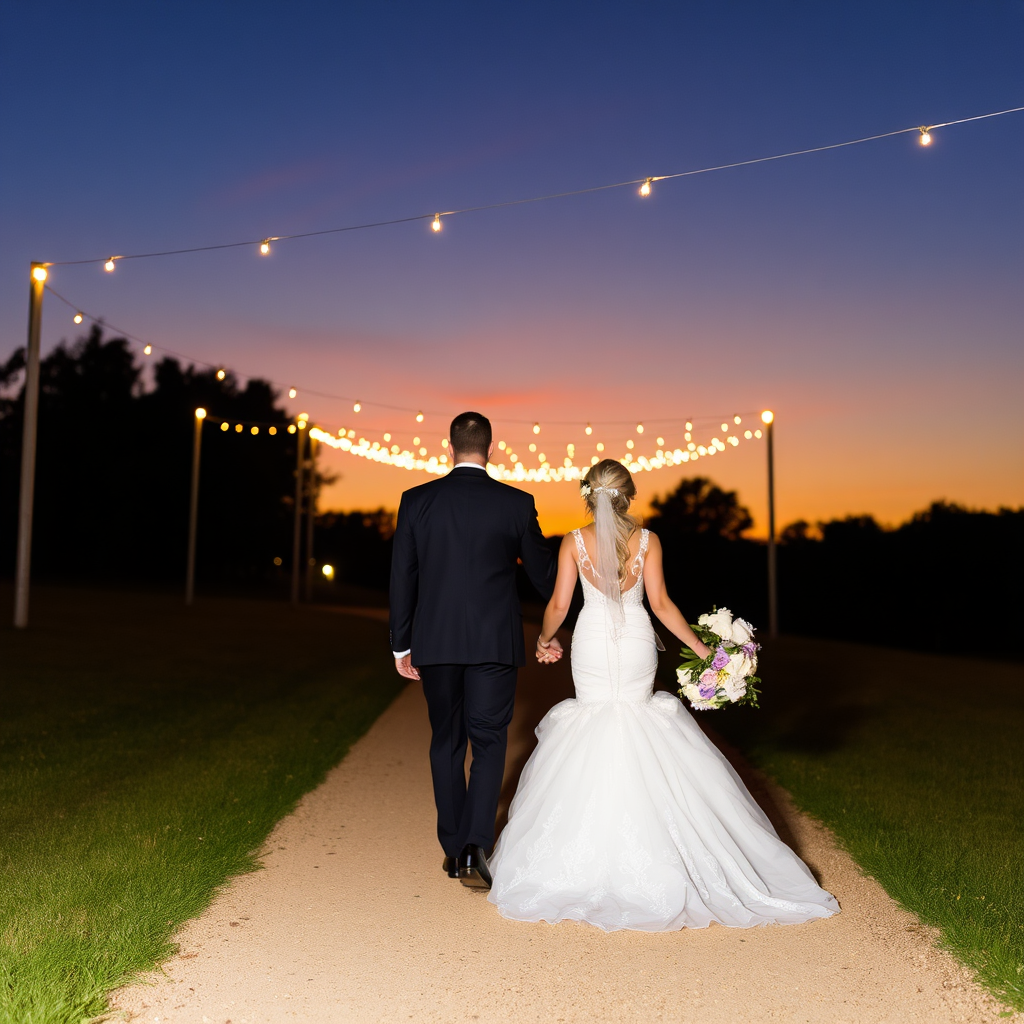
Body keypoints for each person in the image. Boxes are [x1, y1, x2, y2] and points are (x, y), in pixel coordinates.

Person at [487, 459, 839, 931]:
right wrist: (703, 649)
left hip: (591, 642)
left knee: (595, 721)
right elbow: (661, 605)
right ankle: (664, 857)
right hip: (635, 640)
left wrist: (545, 639)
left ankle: (582, 861)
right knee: (637, 719)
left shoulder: (573, 542)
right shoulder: (649, 541)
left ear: (588, 496)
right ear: (627, 495)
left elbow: (557, 605)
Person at [389, 411, 556, 890]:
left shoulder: (417, 501)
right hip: (494, 643)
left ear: (450, 446)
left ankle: (452, 844)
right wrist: (568, 615)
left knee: (446, 740)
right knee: (489, 741)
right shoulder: (516, 504)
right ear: (490, 448)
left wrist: (402, 643)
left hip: (435, 641)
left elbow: (404, 577)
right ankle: (473, 847)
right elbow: (544, 575)